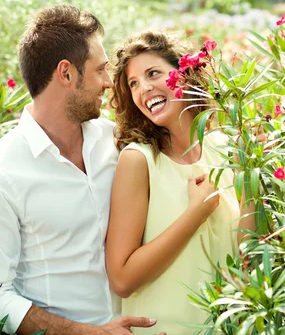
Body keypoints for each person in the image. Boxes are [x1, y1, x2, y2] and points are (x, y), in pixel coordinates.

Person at [0, 5, 164, 335]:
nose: (107, 83)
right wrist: (82, 332)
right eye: (100, 70)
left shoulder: (115, 142)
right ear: (67, 73)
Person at [106, 31, 254, 334]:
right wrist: (194, 214)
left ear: (184, 76)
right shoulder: (139, 160)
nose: (144, 89)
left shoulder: (223, 147)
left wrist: (252, 172)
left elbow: (246, 257)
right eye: (133, 84)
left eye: (153, 74)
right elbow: (121, 279)